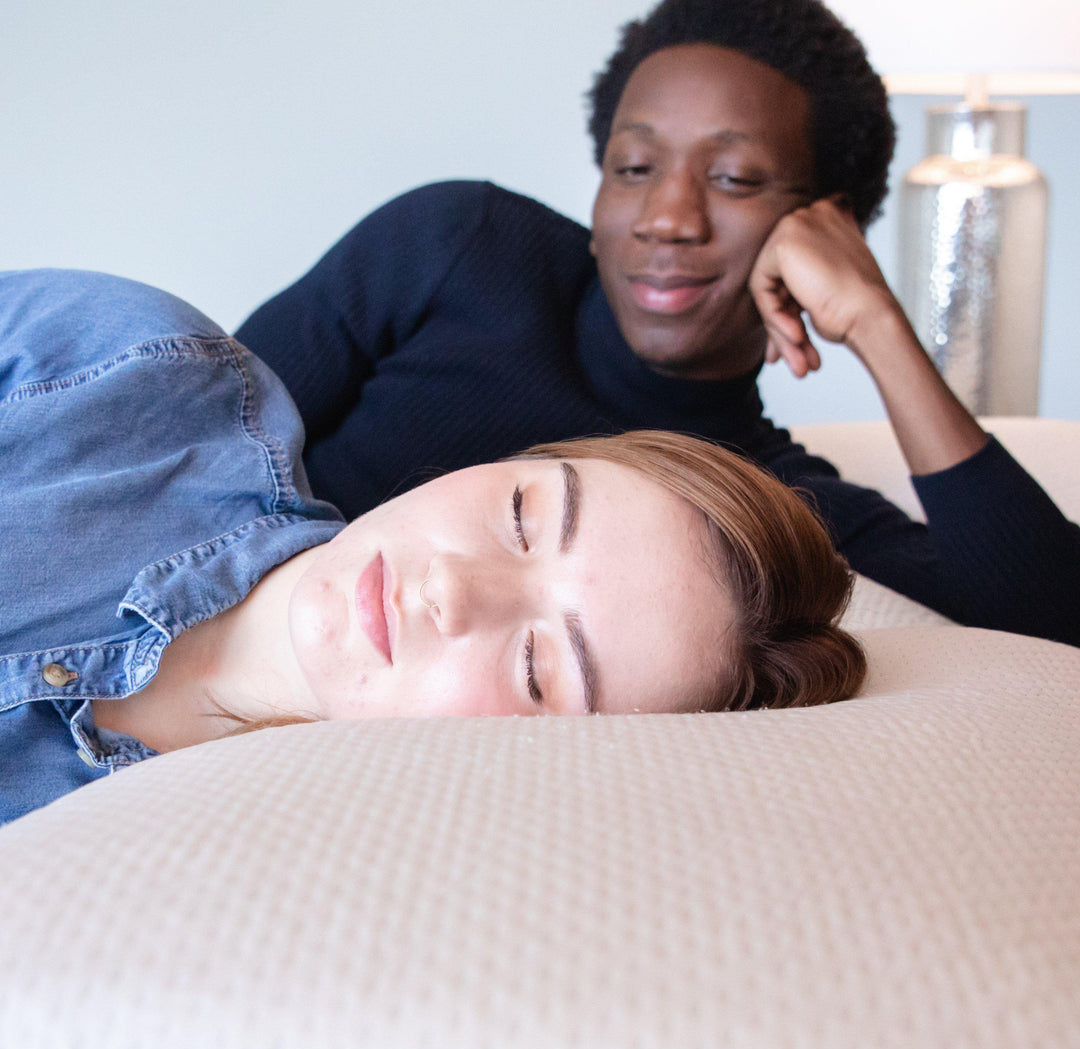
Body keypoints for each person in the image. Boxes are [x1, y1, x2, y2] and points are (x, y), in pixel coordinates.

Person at [235, 0, 1080, 649]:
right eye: (634, 168)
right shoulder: (461, 246)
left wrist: (878, 324)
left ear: (829, 225)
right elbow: (191, 437)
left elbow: (1049, 626)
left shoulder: (758, 496)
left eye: (736, 178)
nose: (668, 217)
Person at [0, 269, 864, 826]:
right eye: (523, 517)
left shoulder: (247, 905)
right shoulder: (138, 368)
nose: (455, 590)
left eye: (538, 666)